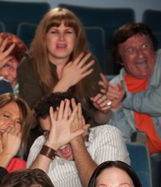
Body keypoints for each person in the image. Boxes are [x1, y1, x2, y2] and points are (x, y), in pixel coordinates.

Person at [27, 92, 130, 187]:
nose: (60, 140)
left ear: (78, 120)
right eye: (48, 133)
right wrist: (51, 144)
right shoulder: (42, 144)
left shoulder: (107, 134)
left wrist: (76, 139)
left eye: (62, 130)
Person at [17, 7, 112, 148]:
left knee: (112, 133)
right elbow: (30, 122)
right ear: (44, 38)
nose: (61, 38)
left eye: (68, 32)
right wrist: (64, 83)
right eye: (54, 32)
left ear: (76, 37)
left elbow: (98, 120)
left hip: (83, 139)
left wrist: (103, 110)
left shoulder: (88, 62)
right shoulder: (29, 64)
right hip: (44, 142)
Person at [102, 23, 161, 187]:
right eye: (131, 50)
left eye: (145, 46)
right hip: (146, 159)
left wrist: (126, 99)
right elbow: (121, 138)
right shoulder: (114, 87)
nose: (141, 55)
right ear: (120, 59)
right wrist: (117, 107)